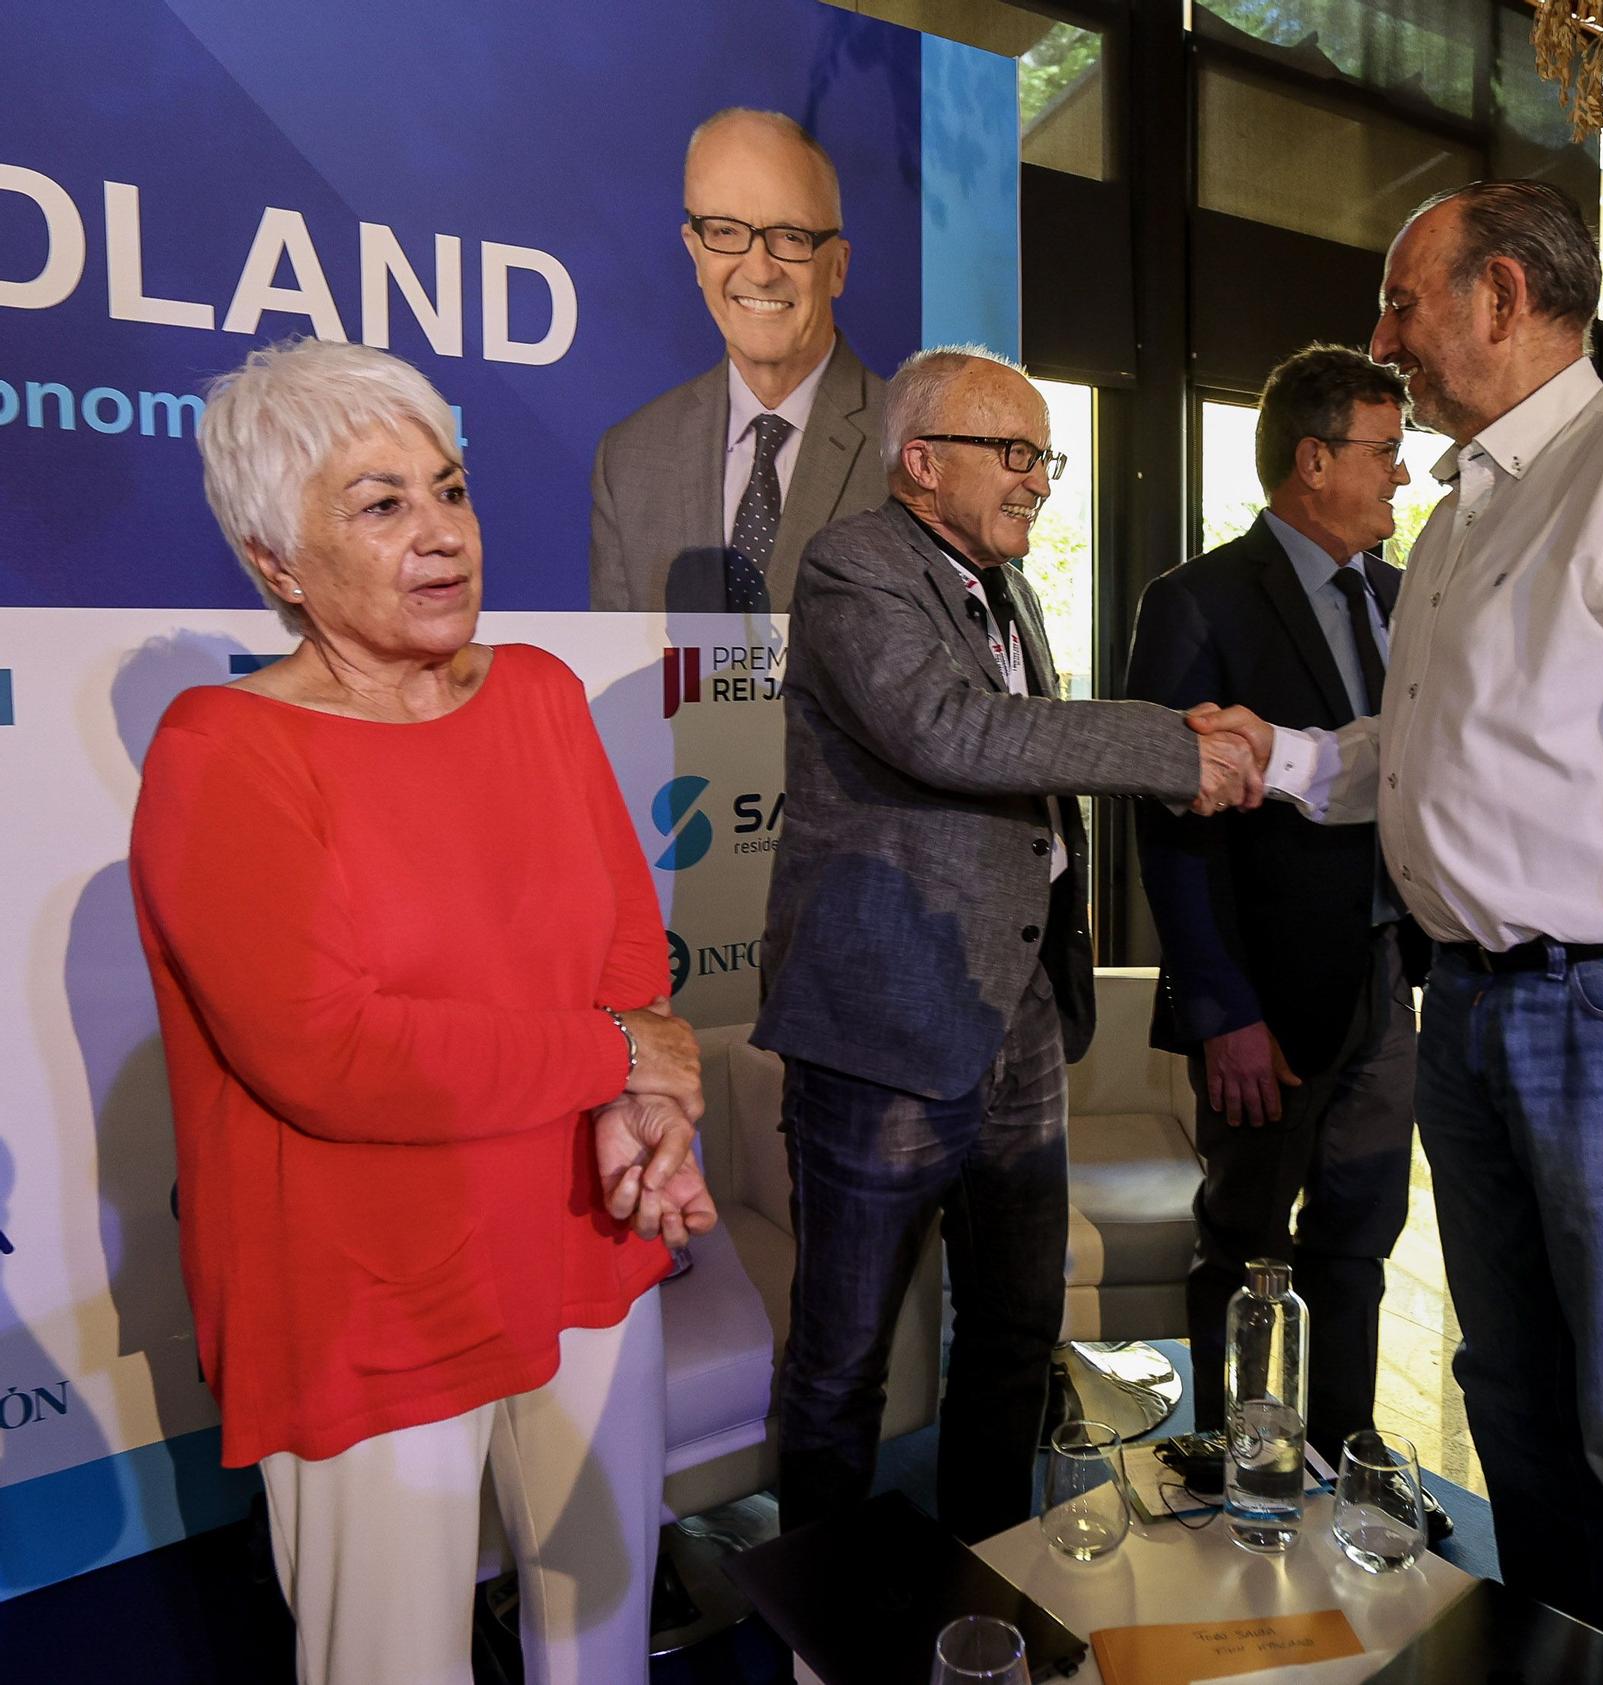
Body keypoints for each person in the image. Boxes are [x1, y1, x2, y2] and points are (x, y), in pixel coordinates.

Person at [1194, 181, 1603, 1685]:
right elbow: (1423, 757)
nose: (1383, 335)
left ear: (1505, 293)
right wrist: (1271, 755)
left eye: (1404, 301)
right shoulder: (1473, 502)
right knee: (1521, 1417)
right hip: (1466, 1012)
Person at [131, 338, 715, 1685]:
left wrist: (641, 1106)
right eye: (380, 504)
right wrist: (620, 1053)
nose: (442, 533)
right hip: (366, 1297)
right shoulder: (221, 757)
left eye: (449, 490)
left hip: (581, 1230)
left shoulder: (541, 696)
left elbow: (625, 931)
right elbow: (334, 1055)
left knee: (603, 1629)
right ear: (276, 564)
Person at [755, 345, 1262, 1543]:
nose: (1039, 479)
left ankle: (990, 1572)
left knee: (1014, 1329)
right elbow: (951, 731)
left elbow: (1021, 743)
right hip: (886, 1027)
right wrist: (1166, 748)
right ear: (921, 463)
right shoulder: (850, 568)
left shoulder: (1004, 583)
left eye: (1045, 453)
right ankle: (818, 1619)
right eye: (1016, 452)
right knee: (842, 1363)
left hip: (1017, 1016)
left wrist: (1163, 747)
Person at [1125, 342, 1425, 1456]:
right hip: (1262, 1005)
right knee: (1246, 1238)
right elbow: (1168, 824)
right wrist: (1220, 1008)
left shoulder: (1408, 601)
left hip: (1388, 981)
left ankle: (1348, 1447)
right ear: (1313, 459)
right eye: (1384, 451)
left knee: (1359, 1235)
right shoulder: (1198, 601)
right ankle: (1238, 1457)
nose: (1401, 475)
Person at [590, 108, 886, 613]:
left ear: (837, 267)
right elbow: (627, 682)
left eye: (791, 236)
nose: (760, 270)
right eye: (725, 232)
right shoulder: (629, 457)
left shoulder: (914, 452)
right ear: (695, 253)